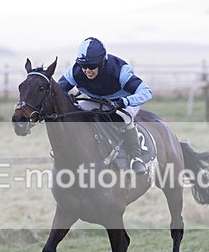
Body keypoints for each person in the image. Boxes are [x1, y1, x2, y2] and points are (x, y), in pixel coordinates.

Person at [57, 37, 152, 174]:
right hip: (96, 100)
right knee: (76, 113)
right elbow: (59, 92)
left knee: (122, 118)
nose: (87, 71)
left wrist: (123, 102)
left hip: (123, 101)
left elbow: (147, 92)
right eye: (84, 66)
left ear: (102, 62)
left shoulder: (120, 71)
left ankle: (136, 158)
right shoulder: (74, 71)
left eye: (92, 67)